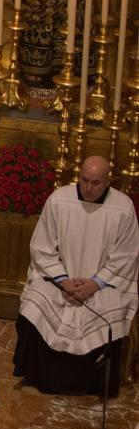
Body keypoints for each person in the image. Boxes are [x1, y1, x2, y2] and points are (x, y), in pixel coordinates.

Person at [15, 155, 139, 398]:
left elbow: (126, 255)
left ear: (108, 181)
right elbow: (42, 248)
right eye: (84, 180)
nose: (89, 188)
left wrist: (95, 283)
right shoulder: (59, 200)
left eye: (96, 182)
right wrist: (63, 281)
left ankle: (93, 384)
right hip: (62, 281)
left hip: (104, 285)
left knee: (111, 308)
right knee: (34, 301)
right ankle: (39, 376)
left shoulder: (122, 208)